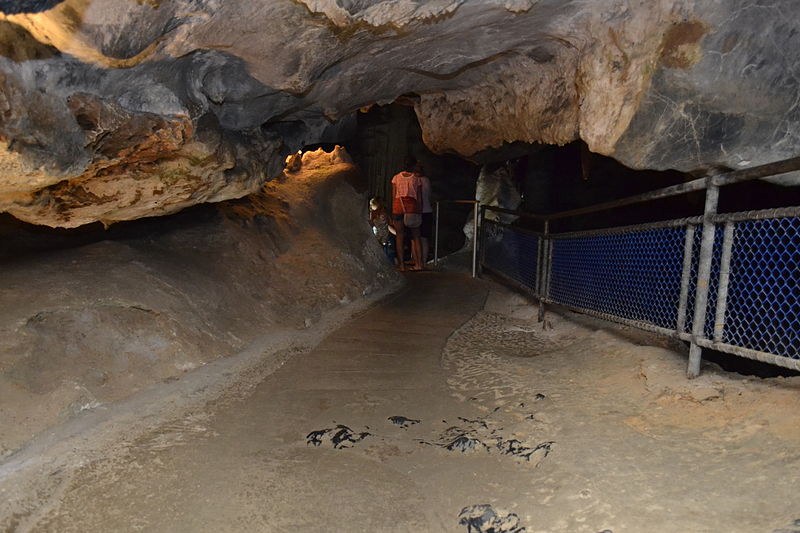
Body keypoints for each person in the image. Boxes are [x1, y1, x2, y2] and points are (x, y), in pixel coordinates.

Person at [391, 157, 424, 271]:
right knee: (416, 236)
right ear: (414, 166)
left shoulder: (395, 178)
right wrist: (420, 210)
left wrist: (393, 210)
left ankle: (401, 265)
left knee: (399, 236)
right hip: (412, 207)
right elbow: (419, 197)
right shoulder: (416, 179)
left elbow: (394, 194)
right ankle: (419, 264)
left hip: (398, 207)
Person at [369, 197, 396, 265]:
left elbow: (371, 223)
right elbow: (390, 223)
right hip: (384, 234)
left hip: (380, 234)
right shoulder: (384, 213)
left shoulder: (374, 213)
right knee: (388, 252)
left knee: (384, 252)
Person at [416, 161, 433, 269]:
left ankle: (418, 261)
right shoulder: (427, 180)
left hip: (417, 212)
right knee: (424, 238)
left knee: (417, 237)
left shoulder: (416, 180)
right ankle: (423, 261)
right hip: (427, 211)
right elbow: (429, 195)